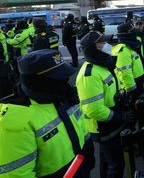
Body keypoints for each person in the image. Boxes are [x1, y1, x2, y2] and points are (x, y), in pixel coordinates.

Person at [0, 49, 95, 177]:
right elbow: (16, 174)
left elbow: (82, 129)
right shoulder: (15, 119)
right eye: (58, 77)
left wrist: (88, 156)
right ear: (37, 81)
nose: (65, 80)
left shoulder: (64, 96)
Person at [76, 31, 135, 178]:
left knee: (107, 163)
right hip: (103, 126)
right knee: (116, 165)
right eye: (102, 43)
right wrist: (120, 117)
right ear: (92, 48)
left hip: (111, 124)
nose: (107, 45)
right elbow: (94, 110)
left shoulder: (102, 66)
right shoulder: (89, 74)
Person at [112, 22, 144, 99]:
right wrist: (133, 91)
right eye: (132, 30)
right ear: (126, 34)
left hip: (139, 83)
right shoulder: (123, 50)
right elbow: (125, 73)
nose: (135, 31)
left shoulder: (130, 46)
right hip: (134, 88)